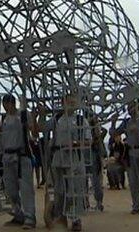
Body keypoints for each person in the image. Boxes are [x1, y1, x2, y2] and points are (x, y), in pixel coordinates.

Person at [38, 94, 89, 231]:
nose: (71, 103)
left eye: (73, 100)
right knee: (59, 191)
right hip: (58, 158)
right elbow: (42, 129)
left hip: (74, 158)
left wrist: (75, 143)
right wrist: (41, 115)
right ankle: (60, 218)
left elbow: (88, 140)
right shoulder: (57, 119)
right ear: (63, 102)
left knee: (74, 190)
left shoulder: (80, 120)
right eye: (68, 100)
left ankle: (76, 219)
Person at [110, 100, 139, 215]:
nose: (130, 110)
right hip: (131, 152)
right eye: (128, 107)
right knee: (133, 181)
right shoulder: (126, 122)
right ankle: (136, 205)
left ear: (138, 107)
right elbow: (114, 134)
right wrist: (113, 123)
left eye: (132, 107)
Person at [0, 94, 36, 229]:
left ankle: (30, 217)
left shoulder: (23, 114)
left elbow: (33, 130)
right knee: (11, 189)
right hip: (7, 156)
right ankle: (18, 213)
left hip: (21, 155)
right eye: (4, 104)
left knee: (26, 189)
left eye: (7, 103)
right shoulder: (3, 118)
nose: (6, 107)